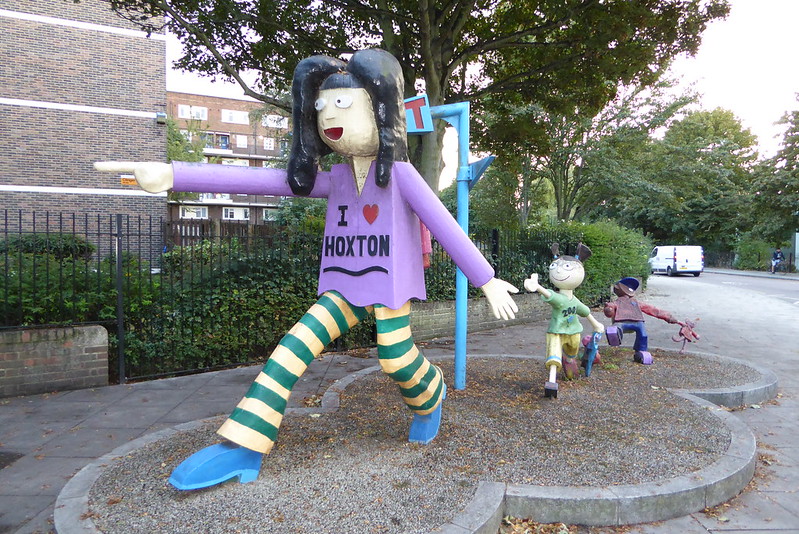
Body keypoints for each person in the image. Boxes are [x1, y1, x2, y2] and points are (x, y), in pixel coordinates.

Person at [96, 49, 519, 490]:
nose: (329, 119)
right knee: (291, 348)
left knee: (395, 358)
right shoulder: (336, 176)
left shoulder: (402, 175)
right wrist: (171, 175)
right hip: (341, 284)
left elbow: (441, 221)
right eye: (321, 108)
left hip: (388, 284)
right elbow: (263, 182)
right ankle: (243, 447)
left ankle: (430, 394)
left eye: (343, 106)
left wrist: (484, 278)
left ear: (379, 109)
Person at [523, 243, 604, 398]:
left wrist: (596, 324)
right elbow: (549, 295)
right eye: (555, 266)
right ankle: (552, 382)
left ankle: (575, 360)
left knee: (572, 352)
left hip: (573, 331)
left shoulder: (574, 300)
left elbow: (585, 311)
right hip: (556, 331)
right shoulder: (559, 299)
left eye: (566, 267)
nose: (559, 270)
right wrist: (537, 287)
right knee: (554, 356)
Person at [602, 277, 678, 363]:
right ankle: (615, 336)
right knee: (616, 329)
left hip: (637, 322)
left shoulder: (636, 303)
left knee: (643, 334)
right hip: (621, 321)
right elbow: (610, 310)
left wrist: (668, 316)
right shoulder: (617, 302)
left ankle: (641, 351)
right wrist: (609, 310)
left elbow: (652, 310)